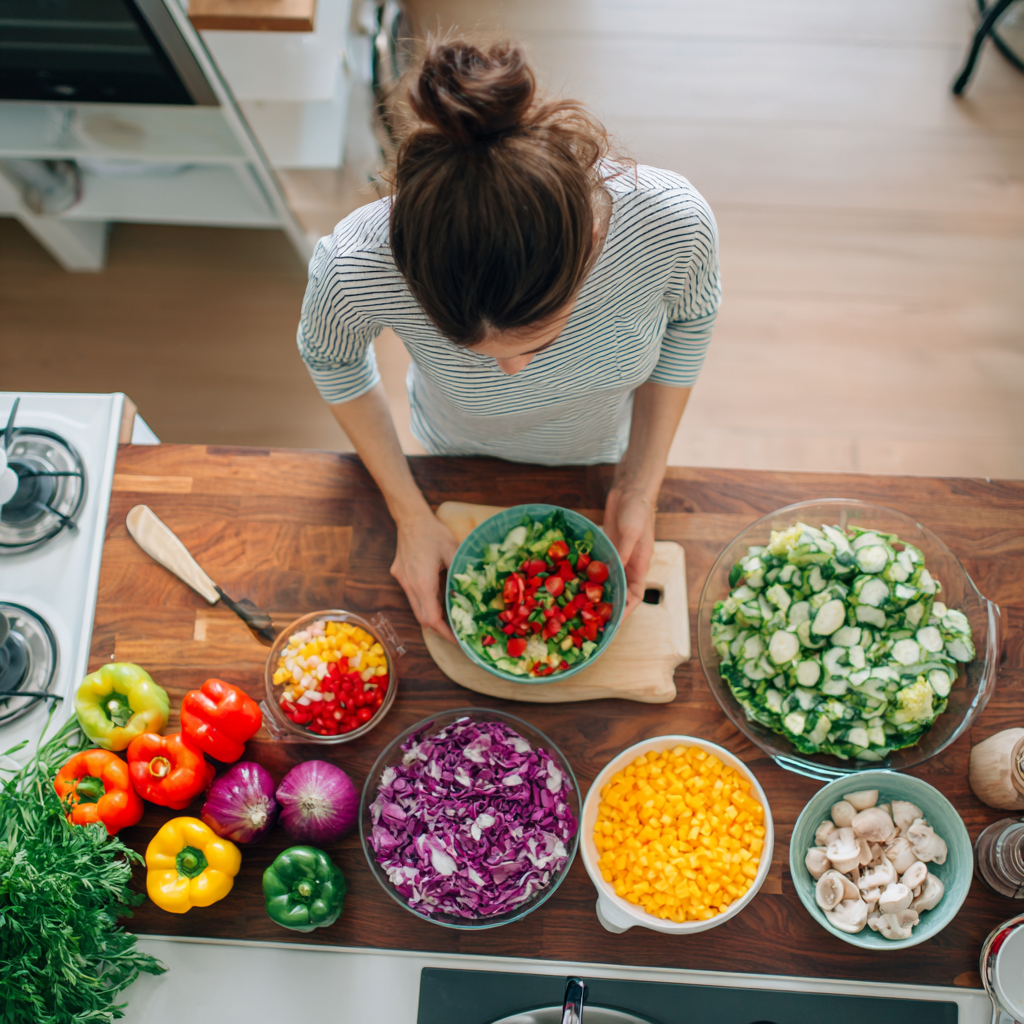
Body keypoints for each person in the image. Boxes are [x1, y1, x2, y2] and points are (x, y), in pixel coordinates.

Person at [297, 38, 720, 642]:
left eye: (541, 343)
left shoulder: (670, 224)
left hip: (605, 446)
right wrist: (409, 512)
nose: (516, 373)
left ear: (595, 239)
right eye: (471, 352)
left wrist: (638, 484)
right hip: (455, 451)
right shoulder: (356, 262)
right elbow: (329, 357)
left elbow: (691, 320)